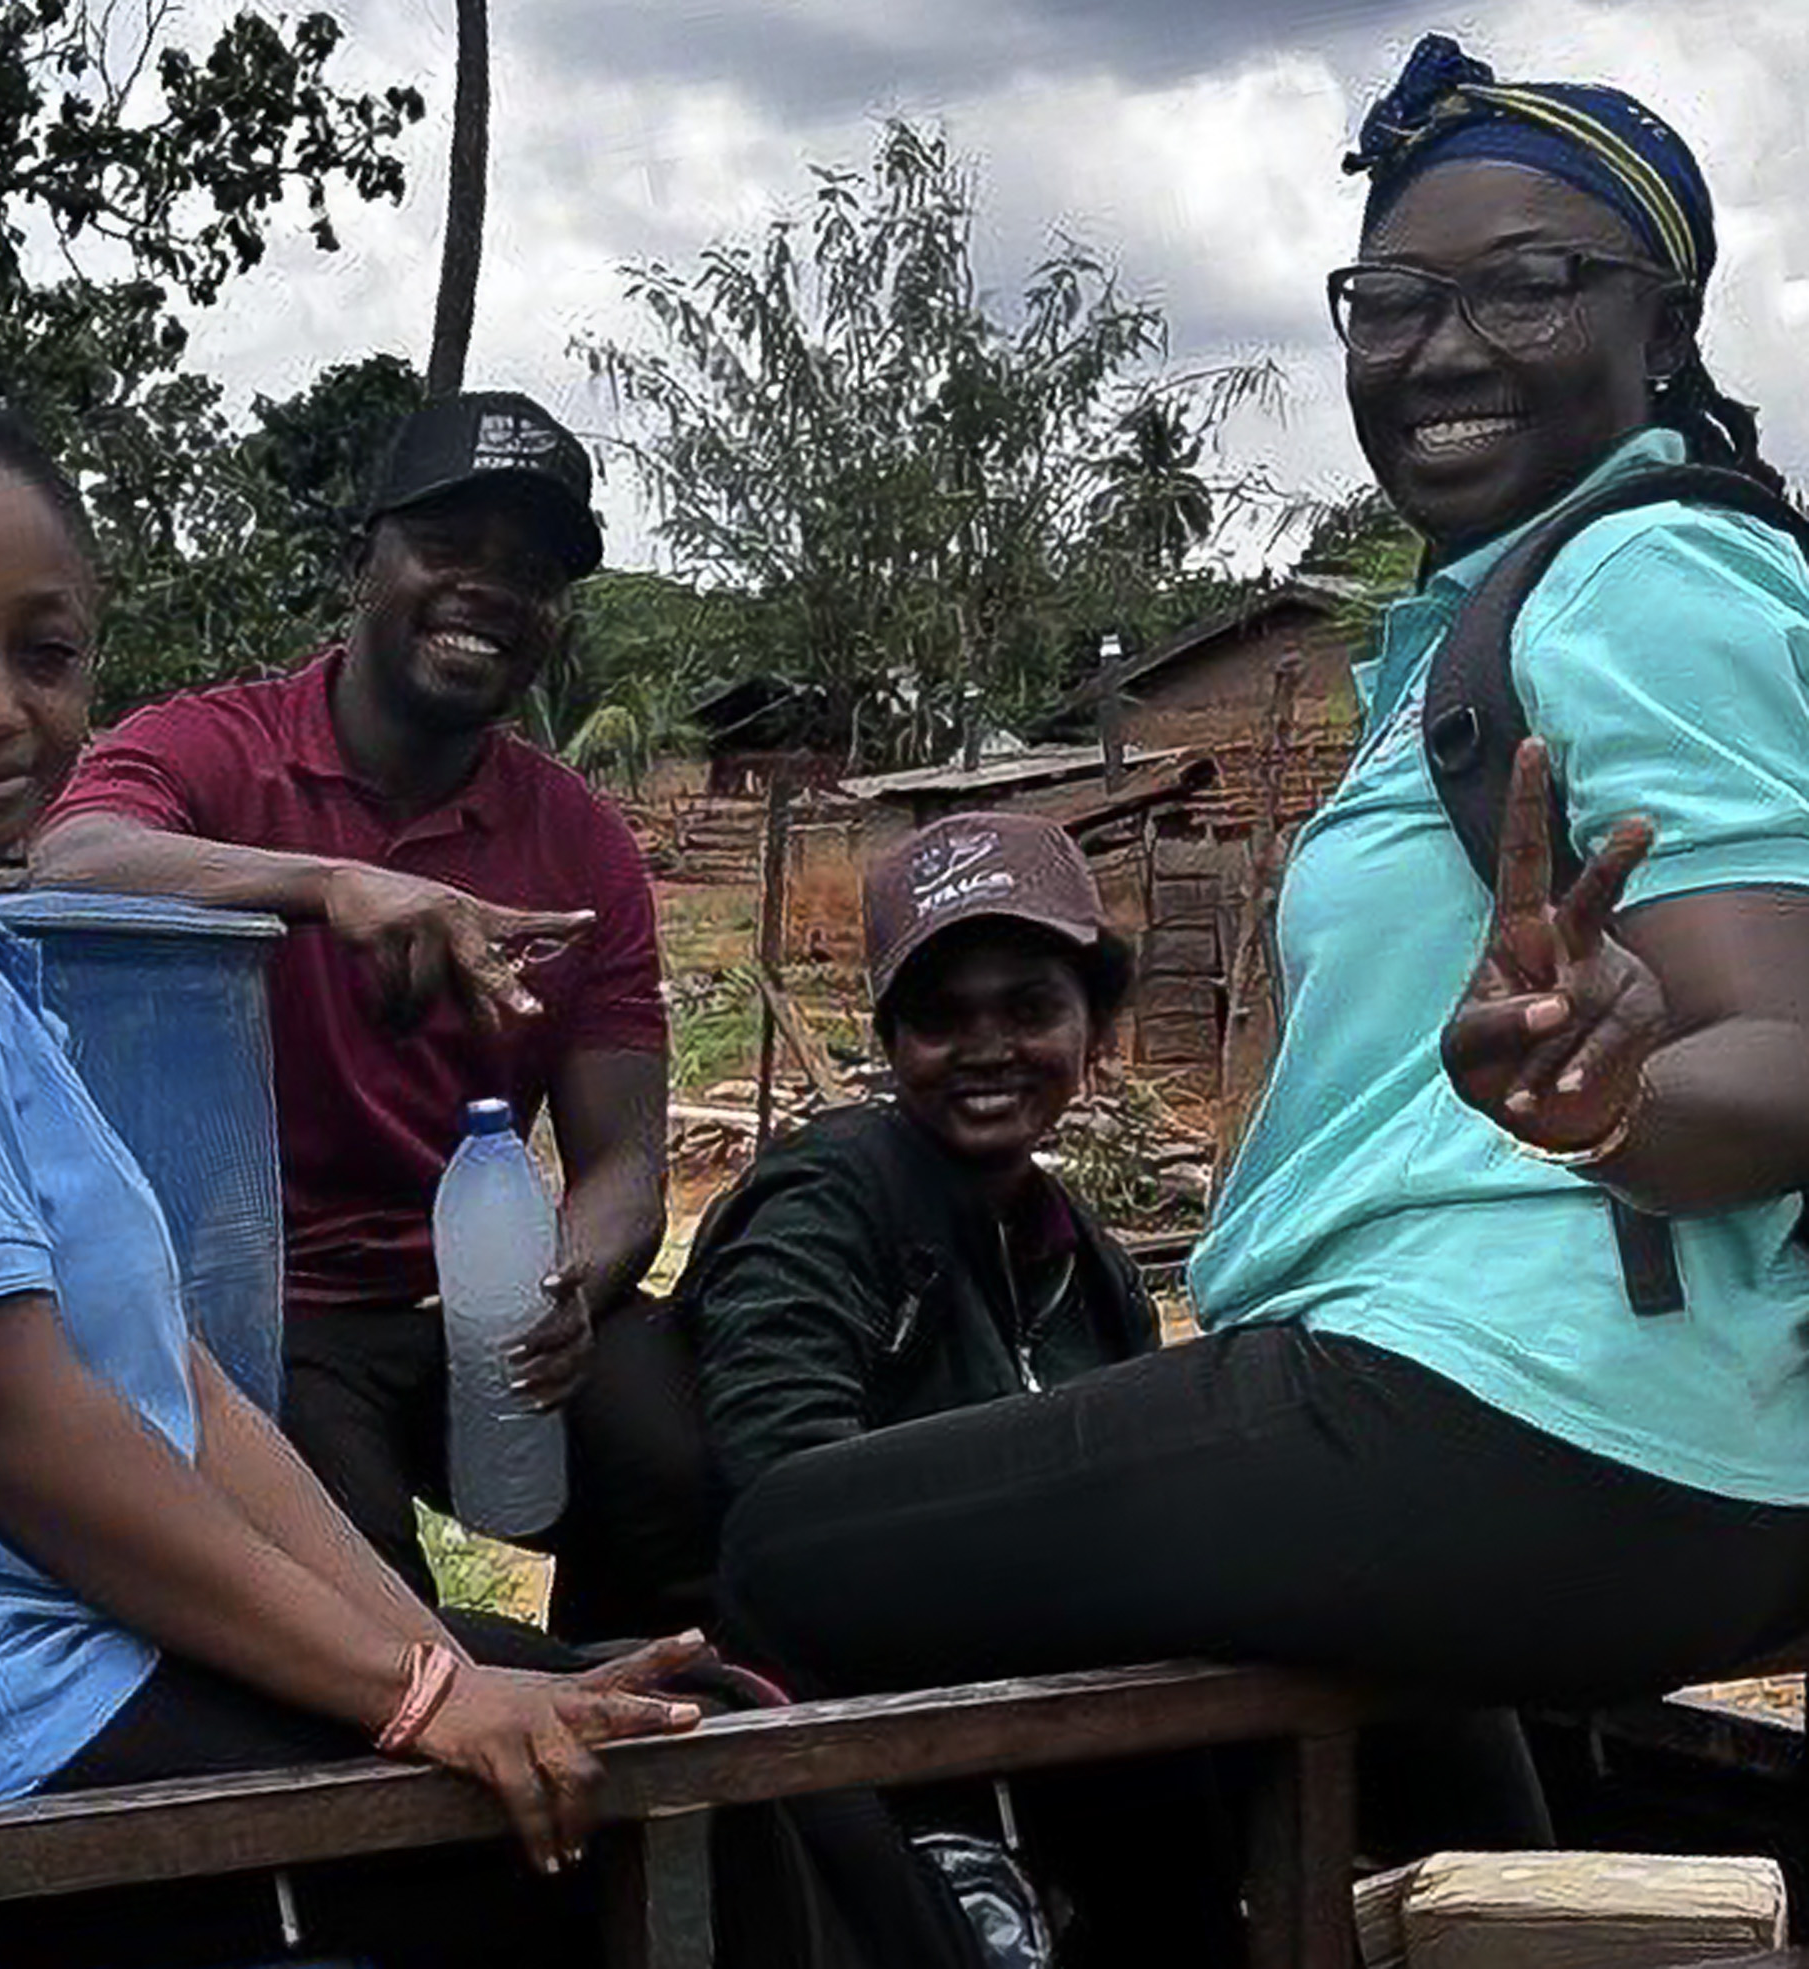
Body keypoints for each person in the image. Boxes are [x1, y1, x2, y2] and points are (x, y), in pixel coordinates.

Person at [717, 31, 1809, 1936]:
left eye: (1529, 282)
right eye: (1391, 297)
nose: (1442, 344)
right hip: (1530, 1420)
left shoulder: (1640, 580)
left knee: (791, 1546)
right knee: (1278, 1688)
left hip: (1534, 1399)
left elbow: (1784, 1047)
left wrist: (1624, 1101)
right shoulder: (1493, 614)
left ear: (1666, 320)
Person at [0, 393, 710, 1968]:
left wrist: (427, 1655)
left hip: (45, 1648)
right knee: (674, 1829)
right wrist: (417, 1700)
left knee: (624, 1698)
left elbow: (186, 1391)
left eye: (47, 654)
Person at [31, 389, 701, 1643]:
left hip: (478, 1296)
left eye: (532, 570)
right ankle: (424, 1798)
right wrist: (324, 887)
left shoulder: (580, 846)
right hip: (259, 1310)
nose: (490, 589)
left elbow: (624, 1165)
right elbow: (67, 861)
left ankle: (631, 1743)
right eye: (451, 549)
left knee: (674, 1475)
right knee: (374, 1609)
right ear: (364, 562)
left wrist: (570, 1278)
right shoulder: (217, 752)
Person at [686, 813, 1154, 1520]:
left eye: (1031, 1008)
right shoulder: (824, 1204)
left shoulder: (1090, 1270)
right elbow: (793, 1490)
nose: (989, 1047)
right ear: (893, 1044)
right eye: (941, 1016)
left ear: (1094, 1030)